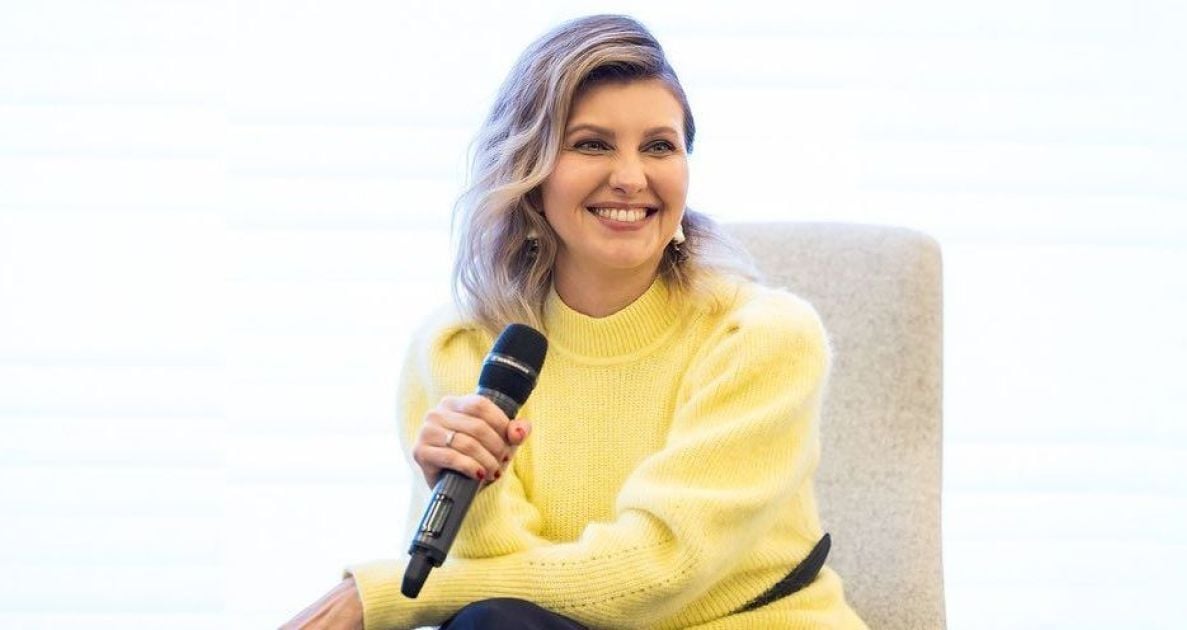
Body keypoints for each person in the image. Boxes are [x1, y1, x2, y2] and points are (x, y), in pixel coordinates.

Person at [282, 14, 867, 630]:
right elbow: (497, 597)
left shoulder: (761, 338)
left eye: (659, 146)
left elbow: (660, 567)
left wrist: (384, 597)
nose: (631, 177)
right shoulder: (461, 347)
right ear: (529, 172)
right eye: (592, 144)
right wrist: (475, 492)